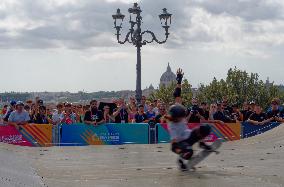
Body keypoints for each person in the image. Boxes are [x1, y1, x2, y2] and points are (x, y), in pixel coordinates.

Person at [167, 104, 213, 171]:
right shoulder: (172, 126)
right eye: (181, 117)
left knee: (205, 128)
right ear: (175, 117)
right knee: (189, 150)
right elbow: (174, 144)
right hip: (180, 143)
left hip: (189, 136)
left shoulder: (181, 118)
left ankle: (202, 144)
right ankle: (181, 161)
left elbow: (178, 104)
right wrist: (181, 151)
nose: (182, 118)